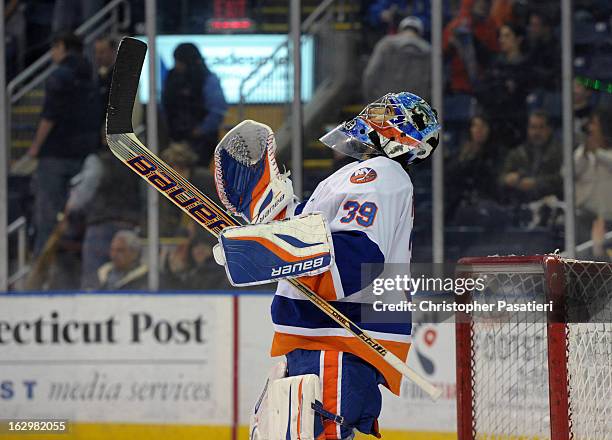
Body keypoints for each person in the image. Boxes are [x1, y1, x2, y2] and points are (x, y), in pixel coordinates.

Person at [213, 93, 440, 439]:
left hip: (336, 343)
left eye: (383, 113)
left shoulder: (378, 173)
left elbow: (351, 259)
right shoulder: (365, 176)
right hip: (324, 343)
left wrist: (266, 249)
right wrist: (273, 226)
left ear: (397, 131)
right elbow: (320, 238)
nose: (371, 115)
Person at [28, 32, 100, 255]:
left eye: (54, 49)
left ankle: (43, 268)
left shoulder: (59, 76)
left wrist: (35, 147)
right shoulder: (91, 74)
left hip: (56, 154)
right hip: (84, 152)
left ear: (61, 46)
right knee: (80, 214)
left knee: (47, 215)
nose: (52, 54)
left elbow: (50, 115)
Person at [162, 42, 227, 167]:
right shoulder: (172, 77)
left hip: (201, 142)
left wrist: (200, 130)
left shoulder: (207, 79)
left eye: (179, 62)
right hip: (175, 138)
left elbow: (217, 110)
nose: (177, 66)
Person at [476, 22, 533, 147]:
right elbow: (482, 89)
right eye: (501, 36)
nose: (501, 40)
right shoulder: (495, 65)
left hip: (515, 122)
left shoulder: (526, 66)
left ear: (518, 39)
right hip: (494, 119)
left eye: (507, 36)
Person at [446, 115, 503, 224]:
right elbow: (450, 176)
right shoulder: (461, 153)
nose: (479, 130)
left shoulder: (496, 153)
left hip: (487, 200)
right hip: (461, 200)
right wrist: (465, 158)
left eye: (482, 126)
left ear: (489, 129)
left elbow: (493, 179)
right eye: (475, 126)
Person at [499, 110, 562, 206]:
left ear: (549, 130)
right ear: (528, 129)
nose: (537, 132)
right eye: (533, 127)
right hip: (520, 204)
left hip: (551, 204)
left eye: (541, 127)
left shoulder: (559, 152)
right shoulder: (518, 153)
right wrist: (507, 179)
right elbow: (501, 178)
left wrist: (536, 183)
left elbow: (562, 179)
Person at [362, 16, 431, 102]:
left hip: (386, 104)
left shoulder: (386, 44)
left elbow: (370, 73)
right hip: (414, 107)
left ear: (401, 29)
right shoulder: (428, 50)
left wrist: (371, 98)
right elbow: (432, 83)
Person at [574, 105, 612, 257]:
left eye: (594, 123)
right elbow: (568, 172)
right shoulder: (582, 152)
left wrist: (597, 152)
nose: (590, 128)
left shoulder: (604, 153)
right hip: (585, 218)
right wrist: (585, 152)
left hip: (610, 221)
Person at [443, 0, 498, 94]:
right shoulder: (456, 26)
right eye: (480, 3)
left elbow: (494, 54)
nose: (483, 6)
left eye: (486, 3)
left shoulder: (490, 26)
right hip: (458, 85)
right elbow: (443, 53)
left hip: (483, 85)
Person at [94, 36, 117, 127]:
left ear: (113, 52)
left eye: (102, 52)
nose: (98, 56)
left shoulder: (118, 77)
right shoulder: (99, 75)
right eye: (96, 52)